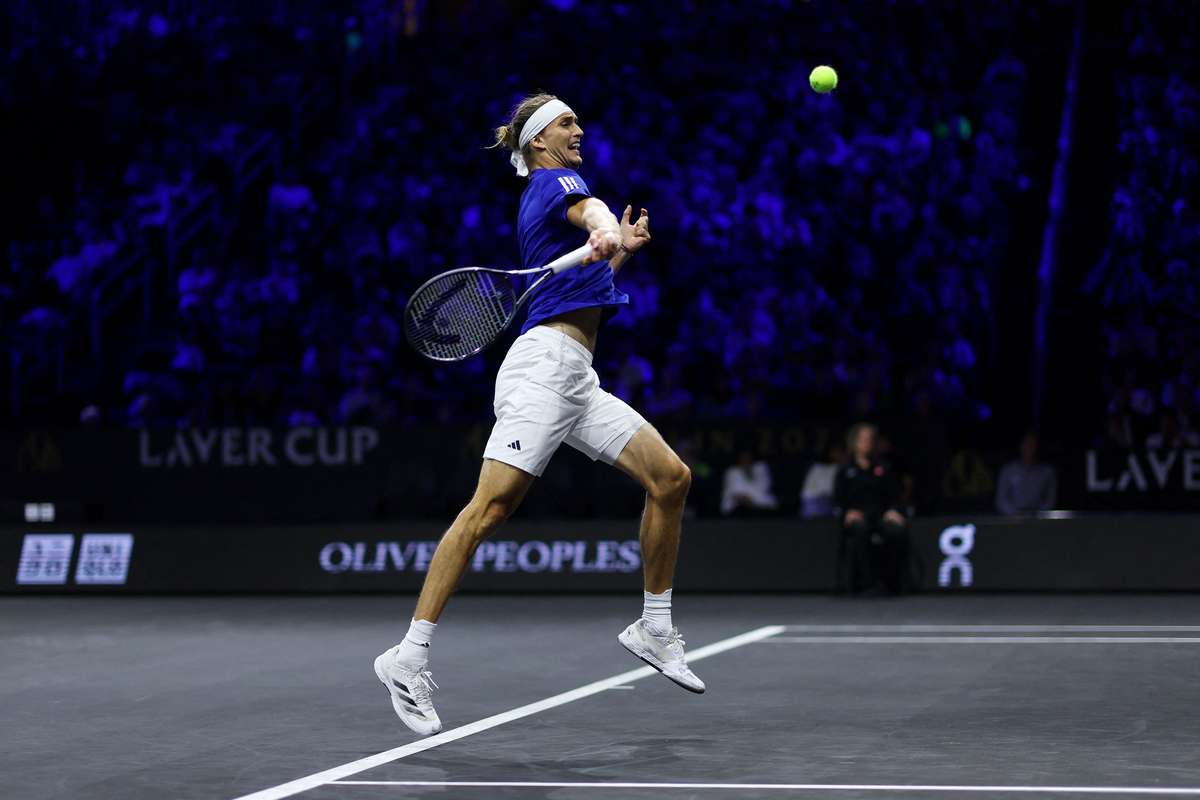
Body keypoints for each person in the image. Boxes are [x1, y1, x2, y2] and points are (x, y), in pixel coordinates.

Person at [373, 93, 704, 737]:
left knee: (671, 479)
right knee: (489, 509)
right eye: (567, 122)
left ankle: (654, 627)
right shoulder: (558, 180)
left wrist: (619, 246)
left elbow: (592, 261)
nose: (579, 129)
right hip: (542, 369)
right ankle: (406, 656)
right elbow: (592, 210)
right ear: (537, 141)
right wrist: (604, 223)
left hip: (577, 377)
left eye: (578, 120)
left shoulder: (548, 194)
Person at [834, 422, 911, 594]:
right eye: (863, 439)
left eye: (870, 439)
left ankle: (893, 583)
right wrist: (847, 512)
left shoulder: (883, 468)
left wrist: (893, 510)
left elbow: (894, 495)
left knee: (896, 531)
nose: (867, 443)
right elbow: (838, 500)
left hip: (880, 515)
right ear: (854, 442)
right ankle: (865, 583)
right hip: (857, 517)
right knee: (860, 531)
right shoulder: (845, 470)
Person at [994, 431, 1057, 515]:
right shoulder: (1008, 470)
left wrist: (1037, 515)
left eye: (1032, 444)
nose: (1029, 448)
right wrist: (1016, 514)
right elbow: (1001, 500)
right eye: (1026, 444)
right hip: (1012, 519)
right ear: (1020, 445)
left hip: (1039, 519)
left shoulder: (1047, 472)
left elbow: (1050, 501)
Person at [720, 449, 779, 516]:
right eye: (743, 458)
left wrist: (751, 500)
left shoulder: (761, 468)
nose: (746, 460)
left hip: (761, 504)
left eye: (748, 457)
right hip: (738, 506)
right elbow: (731, 490)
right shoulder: (732, 472)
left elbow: (765, 487)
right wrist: (743, 499)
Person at [799, 441, 845, 519]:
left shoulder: (841, 468)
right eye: (836, 452)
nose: (839, 455)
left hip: (831, 506)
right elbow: (828, 490)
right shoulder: (817, 468)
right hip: (814, 505)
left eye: (841, 452)